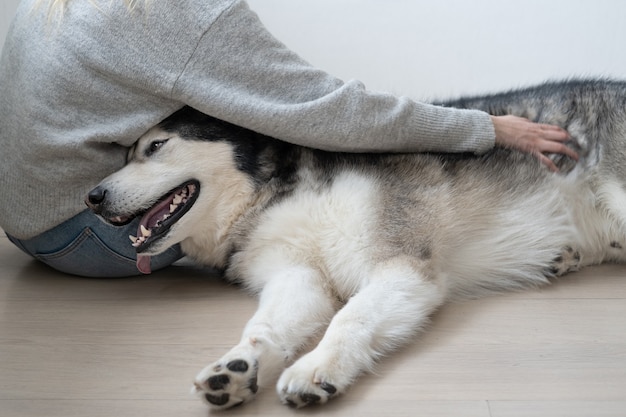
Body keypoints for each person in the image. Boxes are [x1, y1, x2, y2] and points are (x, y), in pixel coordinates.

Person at [0, 0, 577, 277]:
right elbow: (332, 113)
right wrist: (486, 127)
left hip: (24, 222)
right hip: (95, 235)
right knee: (285, 144)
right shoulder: (180, 15)